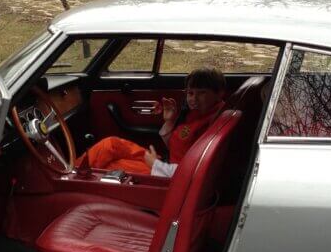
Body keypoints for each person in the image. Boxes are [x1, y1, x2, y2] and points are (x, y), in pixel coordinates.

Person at [81, 67, 226, 178]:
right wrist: (170, 121)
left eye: (202, 93)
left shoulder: (214, 125)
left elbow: (195, 173)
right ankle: (74, 170)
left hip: (169, 176)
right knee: (111, 144)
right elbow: (181, 144)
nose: (194, 99)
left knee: (109, 166)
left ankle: (72, 177)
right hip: (167, 165)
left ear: (219, 93)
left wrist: (155, 165)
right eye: (190, 93)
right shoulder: (199, 114)